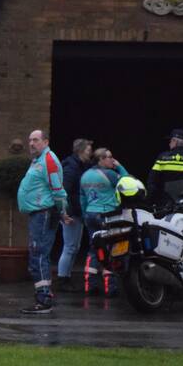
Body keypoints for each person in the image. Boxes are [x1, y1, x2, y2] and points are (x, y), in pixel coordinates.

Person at [16, 129, 69, 314]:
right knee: (39, 255)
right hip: (38, 213)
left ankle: (44, 299)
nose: (31, 143)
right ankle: (43, 297)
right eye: (30, 140)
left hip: (44, 213)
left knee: (38, 255)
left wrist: (63, 211)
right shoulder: (38, 160)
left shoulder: (48, 160)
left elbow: (57, 188)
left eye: (36, 140)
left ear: (45, 142)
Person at [80, 148, 129, 296]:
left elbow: (82, 198)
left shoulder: (85, 175)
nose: (112, 160)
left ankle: (90, 285)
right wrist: (119, 166)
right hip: (107, 215)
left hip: (90, 213)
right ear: (101, 159)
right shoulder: (110, 174)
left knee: (94, 248)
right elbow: (128, 182)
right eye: (109, 157)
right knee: (111, 249)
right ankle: (110, 287)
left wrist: (84, 215)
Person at [55, 138, 93, 293]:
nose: (90, 152)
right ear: (81, 150)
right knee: (70, 247)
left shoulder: (80, 166)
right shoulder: (72, 167)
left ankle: (66, 277)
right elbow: (65, 191)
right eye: (89, 150)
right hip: (72, 213)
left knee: (74, 247)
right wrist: (65, 212)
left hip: (77, 212)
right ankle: (63, 279)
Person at [147, 128, 183, 209]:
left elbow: (152, 183)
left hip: (165, 207)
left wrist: (150, 202)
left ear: (175, 141)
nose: (169, 143)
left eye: (170, 141)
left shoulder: (163, 158)